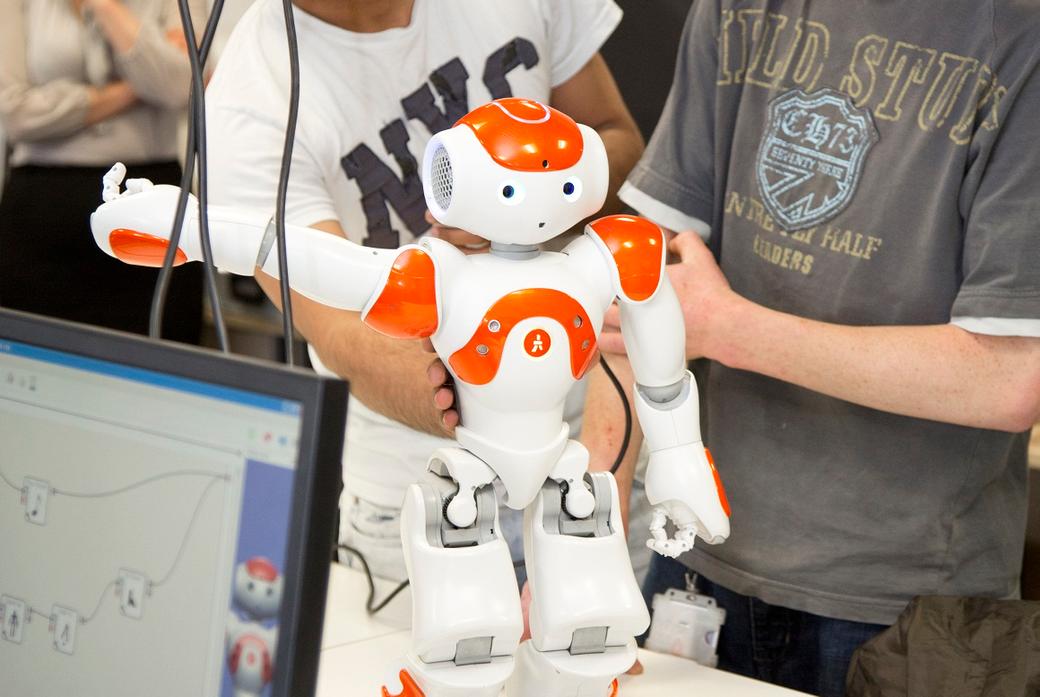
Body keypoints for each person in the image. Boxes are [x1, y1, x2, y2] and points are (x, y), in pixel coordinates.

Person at [579, 1, 1040, 695]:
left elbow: (1011, 380)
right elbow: (639, 287)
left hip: (908, 612)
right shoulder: (735, 8)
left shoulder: (1021, 38)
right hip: (697, 567)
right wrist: (587, 534)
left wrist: (730, 329)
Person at [202, 0, 645, 581]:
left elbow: (616, 134)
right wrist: (474, 399)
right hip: (427, 490)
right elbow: (337, 328)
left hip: (598, 452)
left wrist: (531, 207)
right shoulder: (249, 102)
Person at [0, 0, 203, 343]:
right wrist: (137, 87)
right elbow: (16, 113)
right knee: (30, 359)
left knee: (157, 357)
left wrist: (103, 5)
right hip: (43, 208)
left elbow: (184, 83)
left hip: (151, 208)